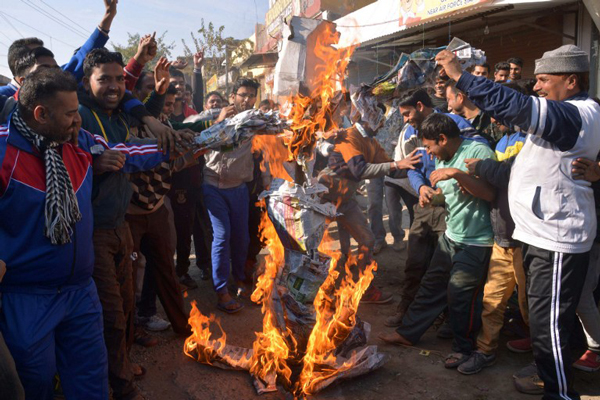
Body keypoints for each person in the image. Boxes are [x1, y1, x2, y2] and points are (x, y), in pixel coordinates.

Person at [436, 43, 600, 400]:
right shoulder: (568, 114)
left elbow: (516, 105)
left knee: (549, 326)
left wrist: (460, 76)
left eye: (543, 80)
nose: (537, 87)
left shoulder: (574, 114)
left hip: (557, 237)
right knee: (543, 323)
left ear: (570, 81)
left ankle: (560, 394)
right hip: (539, 234)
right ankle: (551, 381)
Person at [79, 48, 175, 400]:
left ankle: (119, 366)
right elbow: (75, 159)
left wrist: (167, 137)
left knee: (125, 305)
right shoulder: (78, 115)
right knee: (111, 313)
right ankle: (121, 386)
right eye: (104, 79)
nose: (115, 86)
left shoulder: (120, 114)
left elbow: (129, 155)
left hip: (120, 225)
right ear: (86, 81)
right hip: (93, 232)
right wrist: (94, 161)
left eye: (120, 79)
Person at [379, 113, 496, 370]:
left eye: (431, 146)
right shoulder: (447, 156)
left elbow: (488, 193)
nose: (429, 154)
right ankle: (408, 333)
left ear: (443, 139)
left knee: (460, 296)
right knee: (431, 285)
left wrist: (455, 173)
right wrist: (432, 197)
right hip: (452, 235)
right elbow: (454, 194)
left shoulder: (478, 152)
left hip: (477, 241)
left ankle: (465, 349)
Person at [384, 89, 483, 328]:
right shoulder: (409, 132)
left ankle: (449, 318)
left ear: (420, 106)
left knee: (448, 265)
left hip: (451, 205)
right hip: (426, 204)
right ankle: (405, 310)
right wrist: (420, 189)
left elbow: (476, 153)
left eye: (407, 113)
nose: (406, 119)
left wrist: (462, 180)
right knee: (415, 262)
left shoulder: (452, 123)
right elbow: (412, 167)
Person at [455, 85, 529, 375]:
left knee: (530, 305)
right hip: (502, 235)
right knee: (492, 300)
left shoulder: (533, 142)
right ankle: (485, 351)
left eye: (499, 114)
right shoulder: (503, 141)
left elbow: (510, 175)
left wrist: (481, 168)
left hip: (526, 239)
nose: (495, 120)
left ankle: (544, 359)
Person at [318, 108, 422, 304]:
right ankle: (325, 292)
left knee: (367, 240)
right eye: (379, 119)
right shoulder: (349, 136)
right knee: (334, 251)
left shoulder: (371, 142)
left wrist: (418, 167)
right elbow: (360, 169)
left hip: (346, 201)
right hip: (323, 201)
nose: (382, 124)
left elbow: (392, 168)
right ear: (367, 119)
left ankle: (363, 288)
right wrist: (397, 165)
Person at [203, 77, 258, 313]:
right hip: (213, 186)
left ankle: (239, 280)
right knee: (222, 236)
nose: (246, 100)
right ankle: (221, 290)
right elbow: (203, 141)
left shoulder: (256, 121)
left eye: (251, 96)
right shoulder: (213, 117)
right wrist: (220, 121)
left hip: (239, 188)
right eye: (242, 95)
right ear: (233, 95)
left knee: (242, 238)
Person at [1, 0, 118, 97]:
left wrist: (109, 15)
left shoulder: (57, 80)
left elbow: (80, 58)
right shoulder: (4, 97)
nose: (52, 73)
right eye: (37, 57)